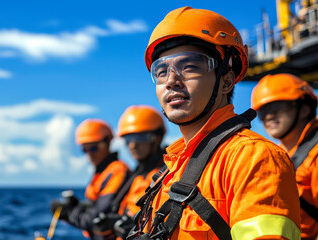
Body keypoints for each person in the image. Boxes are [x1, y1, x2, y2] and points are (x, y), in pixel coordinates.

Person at [127, 6, 301, 240]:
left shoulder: (253, 159)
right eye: (161, 70)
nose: (171, 81)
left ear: (226, 82)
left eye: (190, 66)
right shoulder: (171, 168)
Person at [251, 73, 318, 239]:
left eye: (276, 108)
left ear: (304, 108)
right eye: (263, 112)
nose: (268, 116)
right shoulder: (275, 154)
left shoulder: (315, 155)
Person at [92, 105, 167, 239]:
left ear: (157, 137)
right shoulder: (136, 175)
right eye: (128, 139)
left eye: (140, 137)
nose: (133, 145)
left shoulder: (169, 175)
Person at [50, 119, 130, 239]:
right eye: (84, 149)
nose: (89, 154)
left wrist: (68, 212)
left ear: (107, 143)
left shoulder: (117, 171)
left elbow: (97, 217)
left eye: (93, 148)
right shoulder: (102, 172)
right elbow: (95, 205)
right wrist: (76, 205)